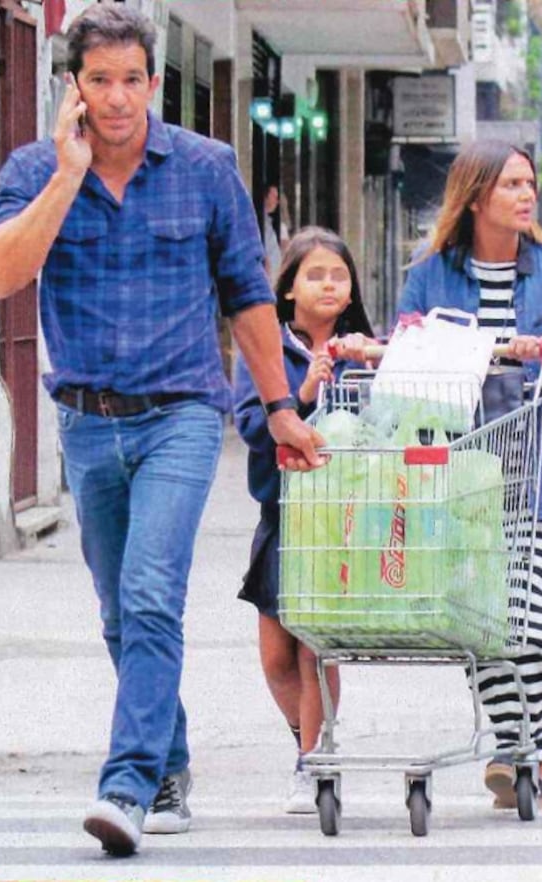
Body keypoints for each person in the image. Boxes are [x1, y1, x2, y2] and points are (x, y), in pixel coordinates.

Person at [0, 5, 323, 858]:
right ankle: (169, 762)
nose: (119, 97)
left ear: (154, 81)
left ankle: (126, 784)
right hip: (87, 424)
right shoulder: (32, 168)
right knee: (116, 611)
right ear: (74, 87)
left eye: (133, 78)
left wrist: (279, 408)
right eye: (100, 81)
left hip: (180, 418)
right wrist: (66, 175)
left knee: (149, 594)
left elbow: (246, 297)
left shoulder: (205, 169)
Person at [397, 140, 542, 810]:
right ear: (476, 194)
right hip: (469, 477)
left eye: (530, 182)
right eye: (511, 183)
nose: (526, 194)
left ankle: (523, 741)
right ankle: (520, 751)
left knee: (540, 619)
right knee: (486, 622)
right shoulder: (430, 273)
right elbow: (408, 348)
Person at [233, 226, 374, 813]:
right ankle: (309, 744)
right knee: (275, 654)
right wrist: (303, 394)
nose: (327, 284)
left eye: (338, 275)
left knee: (316, 648)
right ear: (288, 288)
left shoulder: (365, 350)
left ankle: (316, 763)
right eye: (314, 274)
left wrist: (362, 368)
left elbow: (385, 424)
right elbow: (249, 424)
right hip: (284, 514)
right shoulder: (267, 348)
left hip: (342, 519)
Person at [263, 184, 285, 281]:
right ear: (265, 198)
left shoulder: (268, 221)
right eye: (274, 197)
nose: (277, 201)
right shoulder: (260, 222)